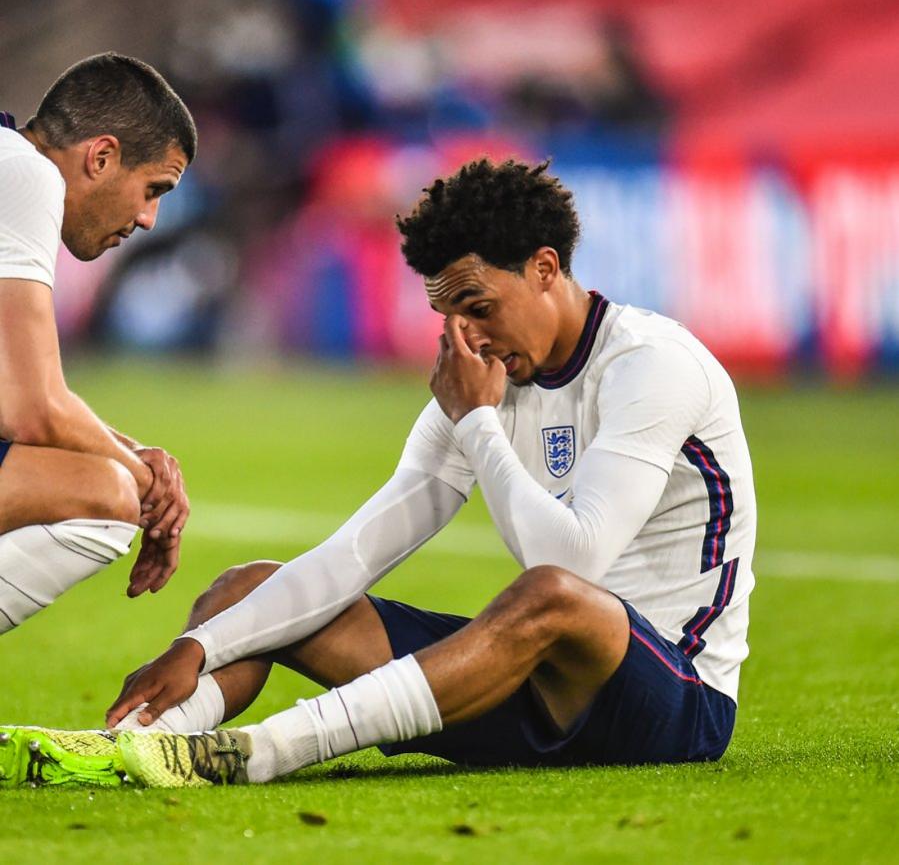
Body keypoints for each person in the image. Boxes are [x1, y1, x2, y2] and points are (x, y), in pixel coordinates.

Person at [0, 159, 755, 789]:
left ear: (545, 267)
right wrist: (201, 648)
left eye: (478, 306)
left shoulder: (649, 366)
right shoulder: (480, 383)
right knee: (246, 591)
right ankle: (135, 749)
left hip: (670, 701)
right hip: (527, 690)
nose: (465, 338)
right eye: (447, 316)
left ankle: (258, 754)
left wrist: (479, 425)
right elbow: (357, 552)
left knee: (553, 595)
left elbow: (573, 564)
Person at [0, 53, 196, 635]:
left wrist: (133, 454)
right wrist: (144, 484)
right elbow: (31, 410)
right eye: (153, 188)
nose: (149, 219)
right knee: (105, 497)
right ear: (102, 156)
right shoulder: (25, 173)